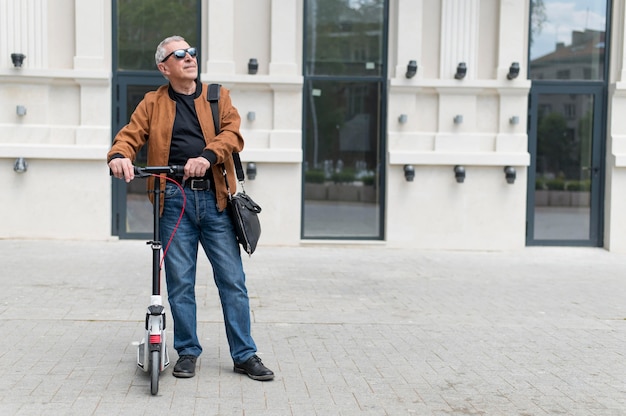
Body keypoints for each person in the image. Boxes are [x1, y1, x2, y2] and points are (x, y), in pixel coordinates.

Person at [107, 35, 273, 381]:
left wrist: (207, 157)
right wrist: (119, 156)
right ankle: (187, 352)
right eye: (179, 54)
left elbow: (233, 134)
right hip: (173, 202)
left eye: (191, 52)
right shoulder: (152, 103)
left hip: (215, 201)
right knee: (180, 282)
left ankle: (245, 354)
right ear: (164, 67)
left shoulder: (217, 95)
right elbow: (130, 135)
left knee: (232, 281)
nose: (189, 57)